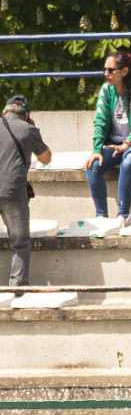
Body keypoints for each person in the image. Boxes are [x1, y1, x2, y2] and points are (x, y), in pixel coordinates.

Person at [84, 50, 131, 220]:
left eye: (111, 70)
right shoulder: (106, 89)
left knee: (128, 163)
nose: (106, 74)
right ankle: (101, 216)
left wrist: (127, 143)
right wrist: (96, 149)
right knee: (93, 165)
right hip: (114, 144)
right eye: (104, 70)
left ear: (124, 71)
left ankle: (123, 215)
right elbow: (100, 120)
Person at [0, 96, 50, 286]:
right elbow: (46, 158)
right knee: (20, 243)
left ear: (5, 111)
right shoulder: (28, 129)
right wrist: (33, 131)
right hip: (12, 191)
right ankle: (17, 287)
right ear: (27, 114)